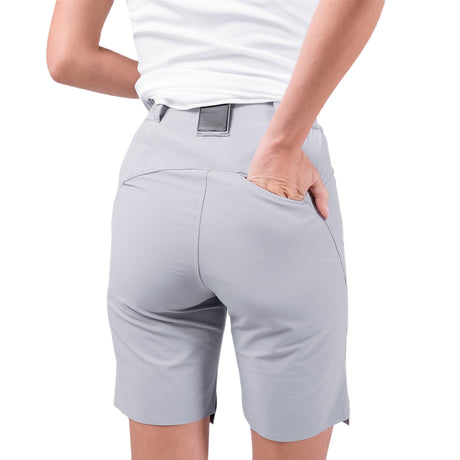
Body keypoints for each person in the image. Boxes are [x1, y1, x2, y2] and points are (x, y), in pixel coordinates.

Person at [47, 0, 384, 458]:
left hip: (156, 171)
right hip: (271, 164)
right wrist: (283, 145)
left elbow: (68, 57)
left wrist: (179, 80)